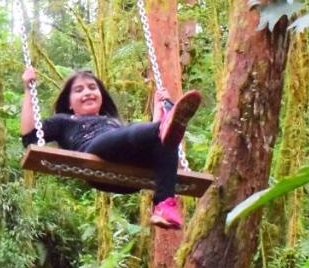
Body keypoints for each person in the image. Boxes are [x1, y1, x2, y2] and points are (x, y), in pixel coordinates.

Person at [20, 67, 201, 229]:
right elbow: (29, 137)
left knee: (165, 140)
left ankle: (163, 205)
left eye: (92, 87)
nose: (87, 92)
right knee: (141, 131)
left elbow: (147, 140)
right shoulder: (64, 120)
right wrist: (28, 89)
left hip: (128, 171)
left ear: (101, 95)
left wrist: (158, 108)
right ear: (69, 103)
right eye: (79, 90)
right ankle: (166, 121)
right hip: (93, 152)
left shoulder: (112, 122)